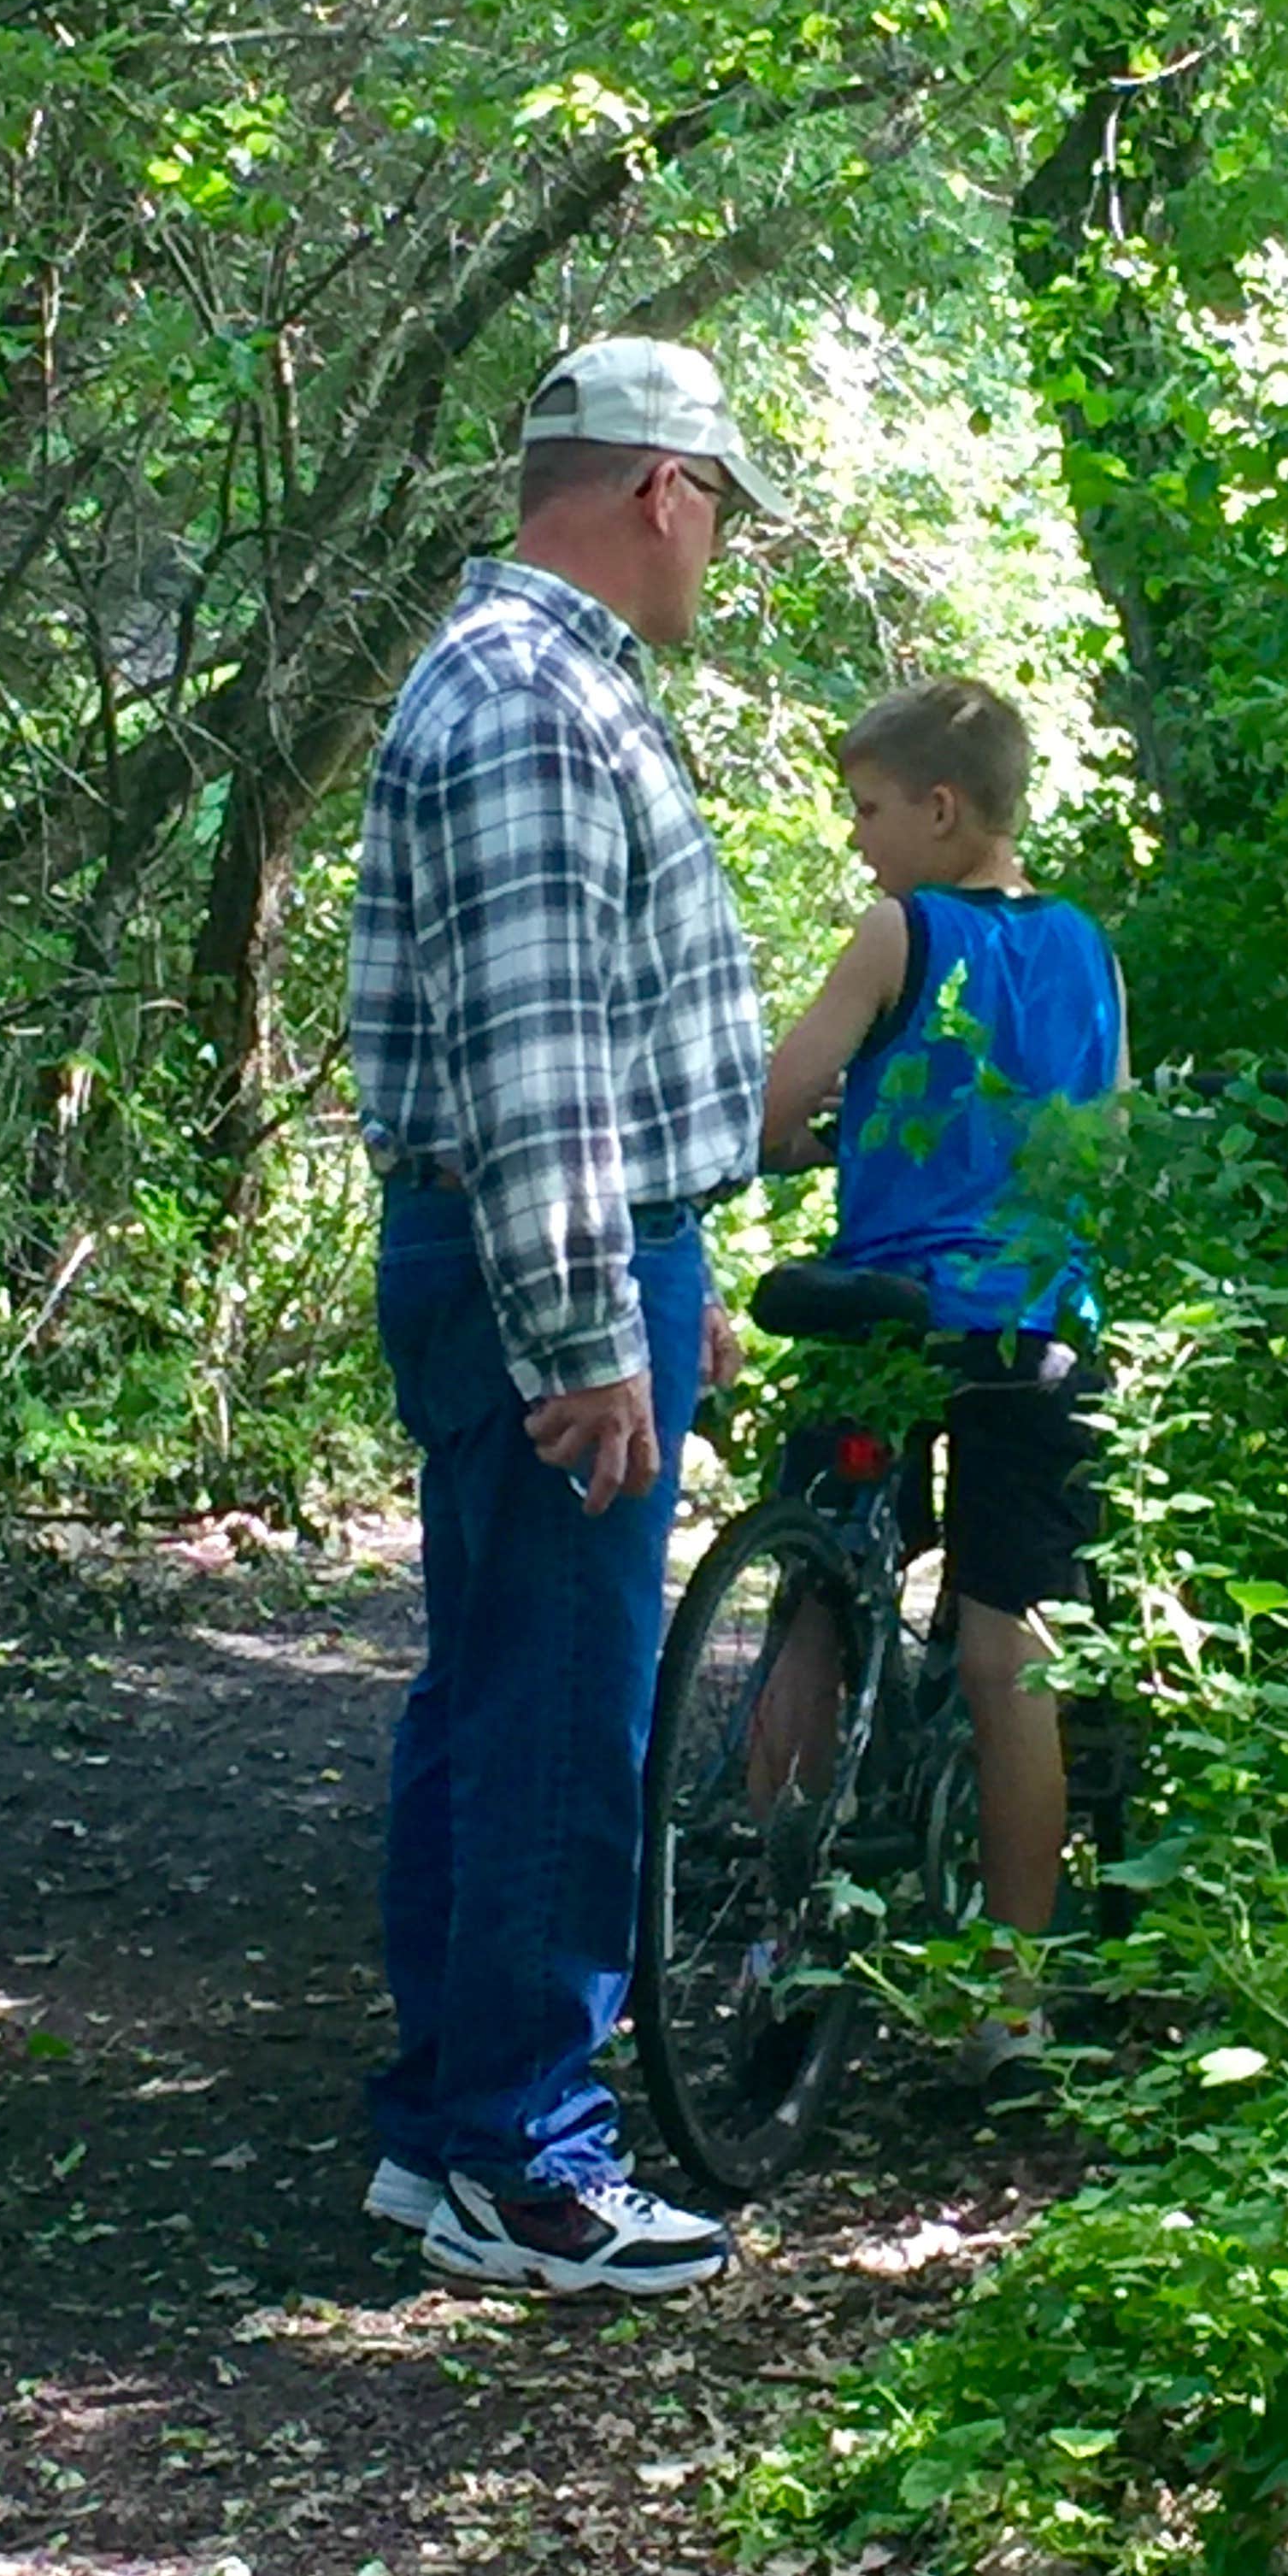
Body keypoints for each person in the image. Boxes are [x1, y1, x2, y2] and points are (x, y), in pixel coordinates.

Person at [346, 335, 791, 2297]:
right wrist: (590, 1325)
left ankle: (452, 2122)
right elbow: (534, 1069)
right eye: (720, 519)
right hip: (548, 1252)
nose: (719, 563)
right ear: (660, 492)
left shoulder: (533, 684)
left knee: (494, 1688)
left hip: (575, 1246)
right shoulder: (534, 704)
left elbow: (587, 1047)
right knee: (555, 1711)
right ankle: (524, 2160)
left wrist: (651, 1280)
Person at [760, 677, 1126, 2089]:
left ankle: (782, 1931)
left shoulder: (900, 931)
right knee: (1008, 1646)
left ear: (940, 808)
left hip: (893, 1319)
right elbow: (1105, 1138)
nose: (858, 842)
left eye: (866, 811)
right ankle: (1011, 1998)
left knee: (812, 1607)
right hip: (1039, 1325)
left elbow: (782, 1104)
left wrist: (812, 1145)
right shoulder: (1091, 949)